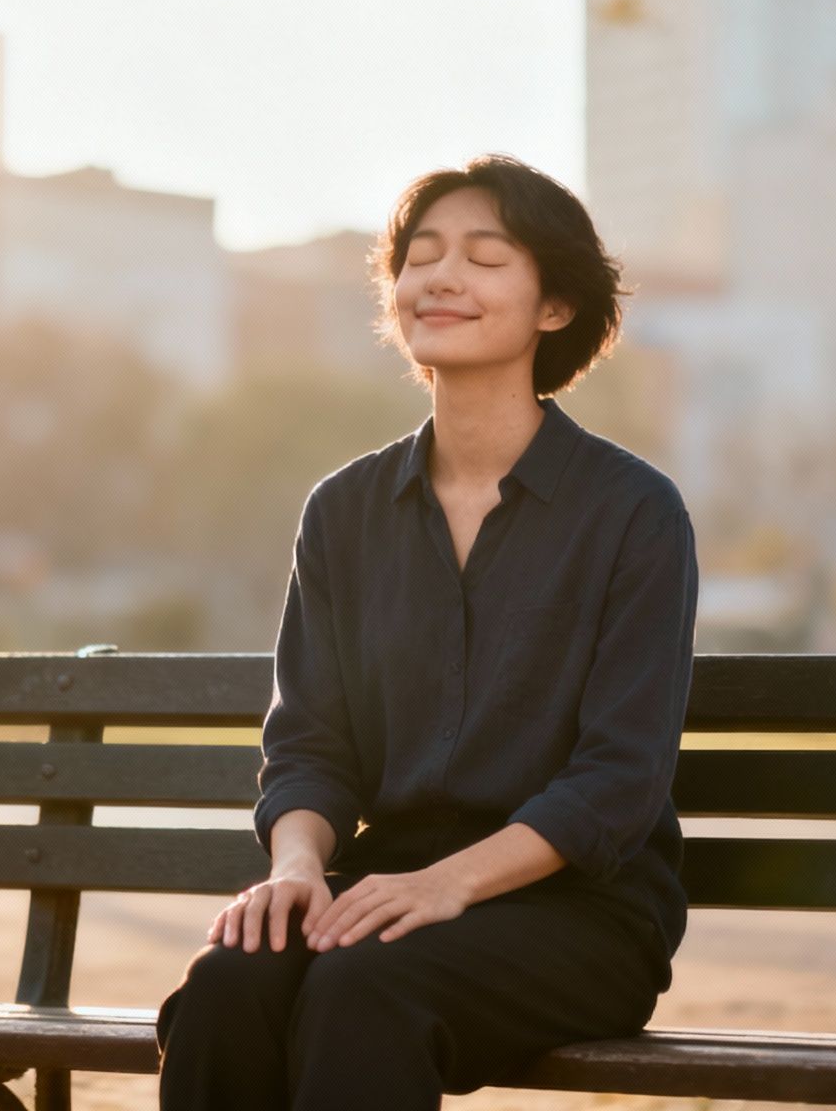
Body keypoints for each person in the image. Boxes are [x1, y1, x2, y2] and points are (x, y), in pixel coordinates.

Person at [153, 154, 700, 1109]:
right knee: (229, 984)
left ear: (555, 307)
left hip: (581, 915)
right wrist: (293, 870)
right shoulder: (344, 512)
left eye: (485, 258)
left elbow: (618, 781)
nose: (439, 277)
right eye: (421, 256)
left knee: (365, 988)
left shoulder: (632, 513)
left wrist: (452, 883)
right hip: (387, 893)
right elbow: (313, 745)